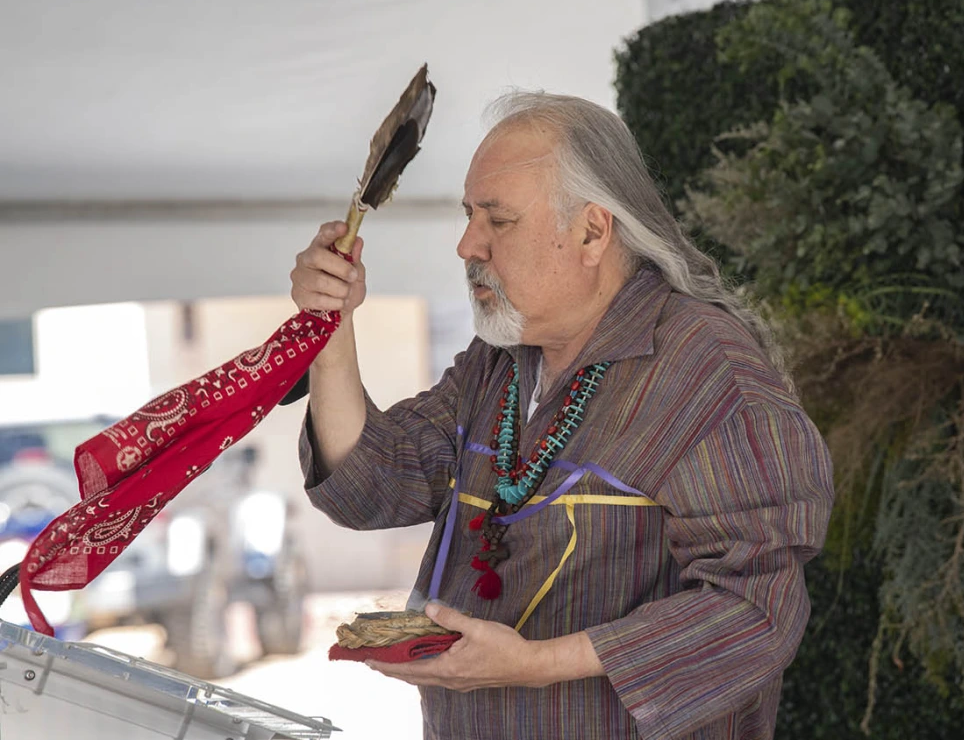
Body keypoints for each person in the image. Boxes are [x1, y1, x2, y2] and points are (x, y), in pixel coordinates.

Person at [289, 92, 834, 740]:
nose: (468, 244)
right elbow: (375, 482)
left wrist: (537, 664)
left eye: (499, 220)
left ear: (592, 232)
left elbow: (755, 611)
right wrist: (331, 332)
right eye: (469, 216)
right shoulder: (500, 361)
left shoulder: (707, 369)